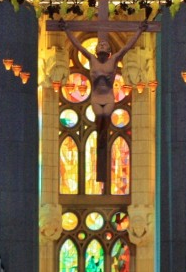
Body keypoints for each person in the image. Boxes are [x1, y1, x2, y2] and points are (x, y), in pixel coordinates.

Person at [62, 20, 147, 182]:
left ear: (108, 51)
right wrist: (67, 30)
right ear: (96, 50)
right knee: (99, 120)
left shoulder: (114, 60)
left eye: (104, 47)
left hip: (108, 97)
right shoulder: (92, 60)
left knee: (104, 121)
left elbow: (126, 48)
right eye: (99, 46)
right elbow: (78, 46)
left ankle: (103, 145)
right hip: (96, 97)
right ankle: (101, 146)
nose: (102, 48)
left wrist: (139, 32)